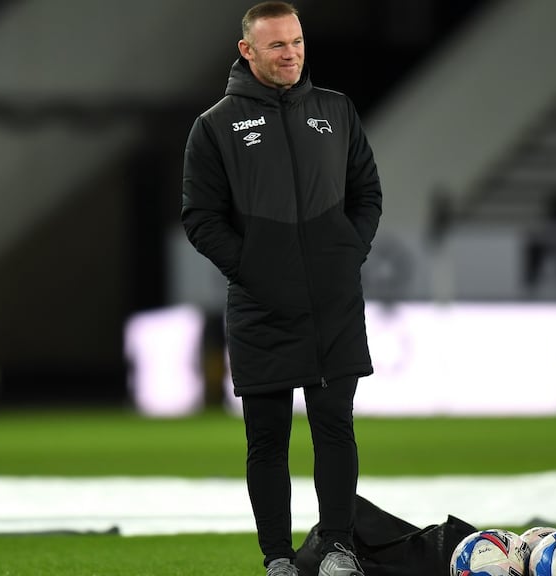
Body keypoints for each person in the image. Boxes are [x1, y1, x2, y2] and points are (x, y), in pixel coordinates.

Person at [181, 2, 382, 575]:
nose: (291, 52)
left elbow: (367, 193)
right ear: (247, 50)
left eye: (296, 41)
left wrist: (346, 255)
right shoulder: (214, 125)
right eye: (277, 45)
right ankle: (278, 559)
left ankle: (339, 549)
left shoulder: (336, 110)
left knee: (334, 428)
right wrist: (253, 269)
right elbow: (200, 217)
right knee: (267, 439)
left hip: (332, 302)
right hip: (260, 306)